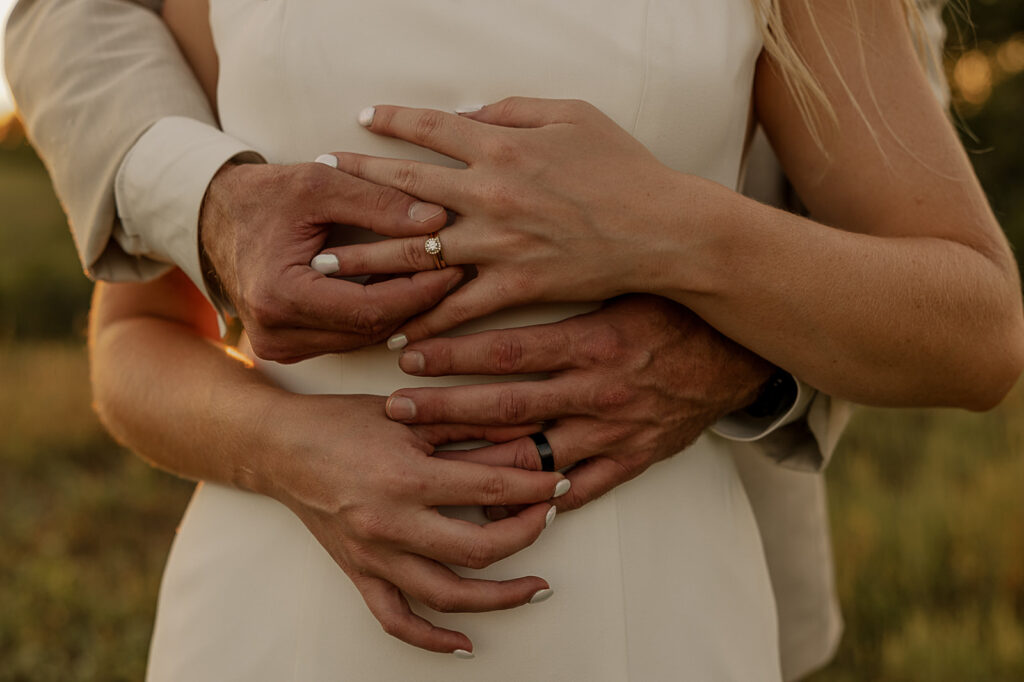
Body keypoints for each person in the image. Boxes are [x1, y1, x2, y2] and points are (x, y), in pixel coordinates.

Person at [10, 0, 1013, 678]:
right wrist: (294, 452)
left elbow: (974, 327)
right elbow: (139, 335)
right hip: (275, 608)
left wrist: (675, 231)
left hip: (648, 606)